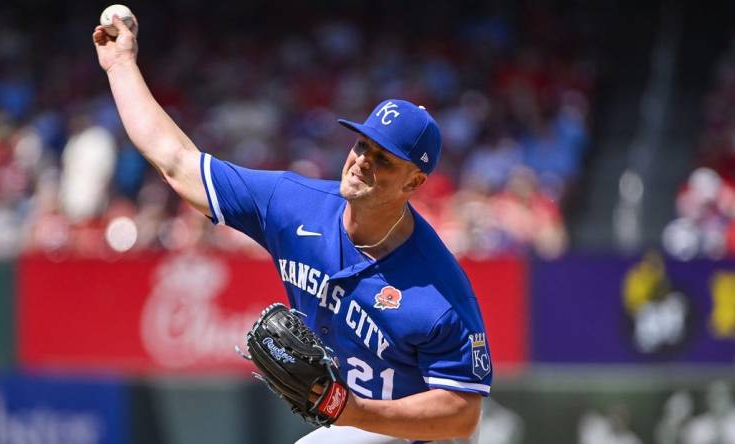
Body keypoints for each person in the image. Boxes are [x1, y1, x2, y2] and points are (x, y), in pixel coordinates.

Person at [93, 15, 492, 444]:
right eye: (363, 145)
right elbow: (176, 163)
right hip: (352, 424)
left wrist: (351, 409)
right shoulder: (292, 203)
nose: (362, 161)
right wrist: (120, 64)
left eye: (384, 159)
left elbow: (461, 414)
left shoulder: (440, 292)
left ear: (414, 182)